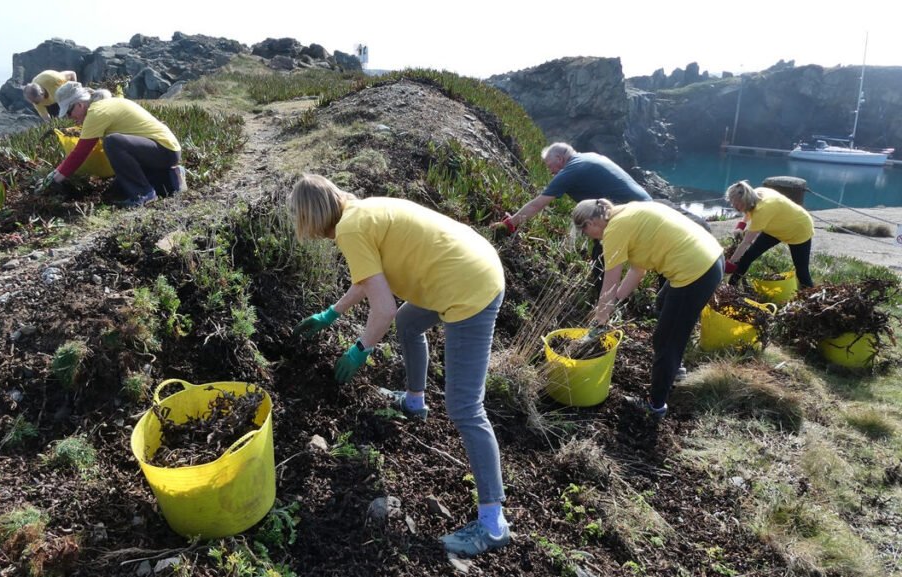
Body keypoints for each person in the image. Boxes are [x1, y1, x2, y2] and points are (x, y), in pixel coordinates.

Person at [289, 174, 509, 557]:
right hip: (470, 264)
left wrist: (361, 349)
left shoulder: (350, 230)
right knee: (411, 323)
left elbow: (383, 309)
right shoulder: (361, 213)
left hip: (469, 289)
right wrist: (331, 314)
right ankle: (414, 401)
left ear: (312, 216)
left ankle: (493, 524)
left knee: (465, 408)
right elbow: (369, 282)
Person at [574, 198, 723, 418]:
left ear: (591, 223)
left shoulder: (614, 229)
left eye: (585, 232)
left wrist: (599, 321)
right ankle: (675, 367)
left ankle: (655, 406)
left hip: (695, 272)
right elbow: (637, 270)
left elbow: (610, 280)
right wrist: (615, 302)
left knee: (665, 341)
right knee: (663, 305)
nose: (590, 238)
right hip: (710, 257)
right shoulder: (628, 212)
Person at [492, 142, 707, 289]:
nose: (551, 171)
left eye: (551, 166)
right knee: (657, 250)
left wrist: (509, 224)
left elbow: (538, 204)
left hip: (628, 211)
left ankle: (603, 306)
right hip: (645, 206)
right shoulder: (590, 157)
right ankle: (660, 298)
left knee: (602, 257)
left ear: (560, 157)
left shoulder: (572, 169)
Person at [44, 81, 186, 208]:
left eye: (69, 112)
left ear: (80, 104)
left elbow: (80, 153)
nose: (70, 118)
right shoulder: (104, 104)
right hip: (159, 150)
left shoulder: (96, 112)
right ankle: (171, 177)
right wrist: (55, 172)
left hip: (164, 150)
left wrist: (55, 180)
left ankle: (144, 195)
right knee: (118, 189)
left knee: (113, 142)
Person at [724, 180, 815, 288]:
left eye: (735, 204)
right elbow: (749, 209)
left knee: (802, 271)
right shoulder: (756, 194)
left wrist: (731, 263)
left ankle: (809, 293)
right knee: (748, 256)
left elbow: (746, 243)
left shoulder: (763, 210)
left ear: (744, 200)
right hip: (775, 227)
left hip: (799, 229)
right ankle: (731, 286)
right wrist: (741, 225)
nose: (733, 206)